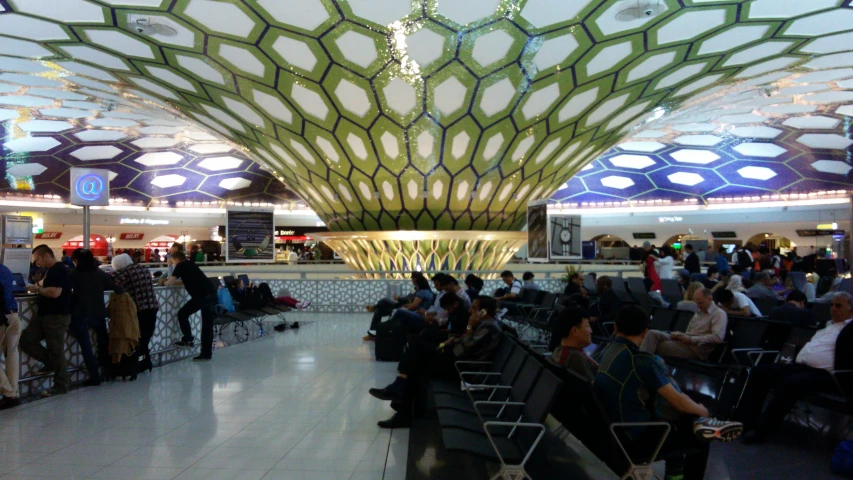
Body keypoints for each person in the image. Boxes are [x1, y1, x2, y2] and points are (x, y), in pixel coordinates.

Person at [596, 305, 742, 480]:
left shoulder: (607, 350)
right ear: (645, 332)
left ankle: (696, 432)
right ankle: (705, 421)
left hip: (611, 431)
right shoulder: (640, 360)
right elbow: (677, 401)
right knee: (698, 434)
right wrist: (702, 410)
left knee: (683, 417)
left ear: (615, 327)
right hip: (635, 438)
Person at [368, 296, 502, 428]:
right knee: (416, 357)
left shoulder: (489, 328)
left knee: (417, 354)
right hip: (457, 361)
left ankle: (400, 396)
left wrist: (470, 328)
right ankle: (402, 403)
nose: (470, 310)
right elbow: (464, 343)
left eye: (474, 308)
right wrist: (455, 339)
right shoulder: (483, 324)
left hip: (463, 368)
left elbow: (463, 350)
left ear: (483, 311)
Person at [736, 292, 853, 443]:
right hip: (802, 367)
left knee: (791, 383)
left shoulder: (850, 329)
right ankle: (745, 421)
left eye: (838, 305)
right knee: (760, 372)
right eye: (831, 305)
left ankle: (763, 430)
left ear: (851, 310)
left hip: (828, 375)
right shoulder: (827, 325)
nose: (833, 309)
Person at [21, 245, 72, 396]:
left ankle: (61, 385)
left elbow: (55, 292)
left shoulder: (58, 270)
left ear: (45, 256)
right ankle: (50, 362)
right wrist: (38, 284)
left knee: (56, 351)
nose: (37, 263)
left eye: (37, 259)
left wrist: (36, 289)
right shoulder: (52, 271)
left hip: (56, 316)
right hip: (47, 316)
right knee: (26, 340)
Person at [69, 249, 116, 386]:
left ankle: (95, 377)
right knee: (103, 344)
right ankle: (108, 373)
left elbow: (66, 292)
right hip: (99, 313)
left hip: (80, 315)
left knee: (86, 347)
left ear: (76, 261)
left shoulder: (74, 274)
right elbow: (114, 287)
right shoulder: (99, 273)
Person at [642, 288, 727, 359]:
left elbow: (717, 337)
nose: (698, 306)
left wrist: (691, 339)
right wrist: (681, 335)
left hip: (696, 348)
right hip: (686, 342)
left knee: (663, 346)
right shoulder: (699, 313)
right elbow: (689, 332)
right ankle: (638, 362)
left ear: (709, 299)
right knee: (652, 333)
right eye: (696, 303)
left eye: (700, 303)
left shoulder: (718, 314)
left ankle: (643, 365)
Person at [164, 251, 217, 361]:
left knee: (182, 314)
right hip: (211, 293)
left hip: (201, 296)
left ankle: (188, 338)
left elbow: (169, 283)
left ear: (177, 259)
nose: (173, 264)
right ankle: (206, 353)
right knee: (207, 326)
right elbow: (189, 279)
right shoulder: (191, 264)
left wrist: (162, 282)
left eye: (173, 262)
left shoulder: (180, 266)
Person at [111, 253, 160, 373]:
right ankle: (146, 362)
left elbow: (109, 279)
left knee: (139, 338)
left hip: (140, 309)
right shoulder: (143, 268)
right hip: (152, 307)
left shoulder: (125, 272)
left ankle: (141, 364)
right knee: (146, 337)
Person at [549, 307, 597, 382]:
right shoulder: (575, 358)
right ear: (575, 330)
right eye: (587, 326)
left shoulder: (558, 351)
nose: (591, 330)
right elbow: (595, 389)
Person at [0, 262, 20, 409]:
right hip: (13, 316)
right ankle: (14, 393)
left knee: (11, 353)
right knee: (12, 353)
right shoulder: (5, 269)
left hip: (1, 319)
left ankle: (9, 393)